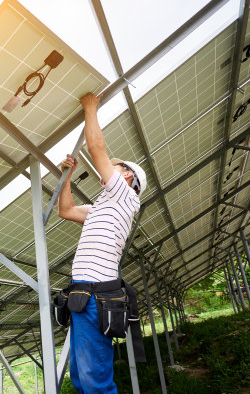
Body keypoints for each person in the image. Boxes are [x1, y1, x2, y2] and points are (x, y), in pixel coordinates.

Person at [58, 92, 147, 393]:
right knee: (81, 377)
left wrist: (90, 107)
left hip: (97, 298)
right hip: (84, 295)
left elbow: (97, 150)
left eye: (119, 167)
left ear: (130, 179)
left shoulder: (126, 199)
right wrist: (67, 177)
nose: (112, 168)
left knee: (96, 380)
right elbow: (66, 210)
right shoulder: (99, 208)